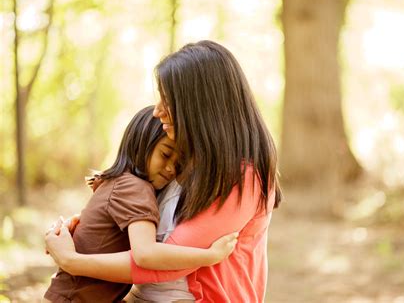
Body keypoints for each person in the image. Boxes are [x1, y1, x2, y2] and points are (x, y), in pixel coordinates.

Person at [45, 40, 282, 302]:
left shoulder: (244, 177)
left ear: (199, 107)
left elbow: (160, 260)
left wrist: (72, 260)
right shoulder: (180, 164)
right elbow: (139, 222)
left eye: (167, 101)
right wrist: (84, 228)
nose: (157, 111)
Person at [44, 105, 237, 303]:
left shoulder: (118, 181)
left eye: (178, 164)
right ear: (141, 142)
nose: (171, 168)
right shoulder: (136, 188)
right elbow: (146, 254)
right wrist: (210, 256)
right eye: (165, 154)